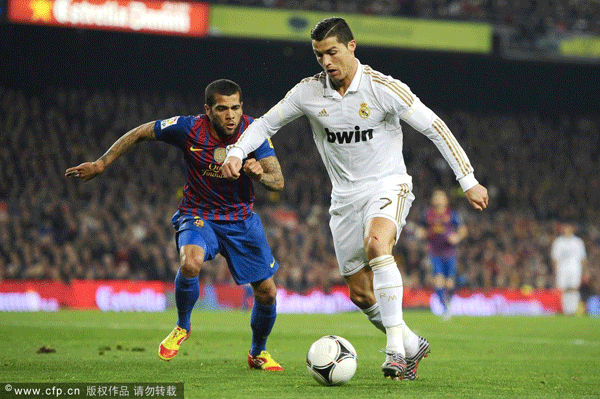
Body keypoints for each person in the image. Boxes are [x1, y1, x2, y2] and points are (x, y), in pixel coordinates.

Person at [221, 17, 489, 380]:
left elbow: (433, 126)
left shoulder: (383, 88)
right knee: (361, 295)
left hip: (387, 184)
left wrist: (468, 179)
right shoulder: (308, 92)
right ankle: (411, 343)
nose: (326, 62)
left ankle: (395, 351)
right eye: (319, 55)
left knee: (379, 245)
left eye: (332, 52)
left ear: (351, 47)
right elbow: (266, 124)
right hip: (344, 199)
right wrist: (237, 151)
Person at [66, 79, 285, 371]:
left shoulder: (254, 131)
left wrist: (259, 175)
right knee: (190, 262)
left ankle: (258, 352)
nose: (230, 115)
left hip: (240, 220)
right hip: (199, 214)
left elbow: (277, 181)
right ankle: (183, 326)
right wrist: (102, 164)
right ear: (208, 110)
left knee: (268, 292)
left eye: (235, 107)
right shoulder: (188, 128)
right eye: (222, 109)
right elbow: (141, 132)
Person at [416, 189, 468, 319]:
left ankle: (448, 302)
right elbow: (421, 229)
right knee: (438, 280)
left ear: (446, 199)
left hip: (450, 253)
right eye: (436, 196)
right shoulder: (427, 214)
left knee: (449, 283)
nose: (438, 198)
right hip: (435, 252)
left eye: (441, 196)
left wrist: (456, 237)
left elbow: (463, 230)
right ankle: (445, 309)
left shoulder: (452, 214)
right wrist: (420, 233)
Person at [551, 222, 587, 315]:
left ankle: (573, 310)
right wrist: (555, 270)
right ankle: (564, 309)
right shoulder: (558, 242)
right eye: (565, 228)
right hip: (562, 269)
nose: (567, 230)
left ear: (572, 229)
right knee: (562, 289)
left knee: (574, 288)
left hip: (575, 269)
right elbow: (554, 258)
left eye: (569, 228)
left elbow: (583, 258)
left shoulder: (578, 242)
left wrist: (583, 271)